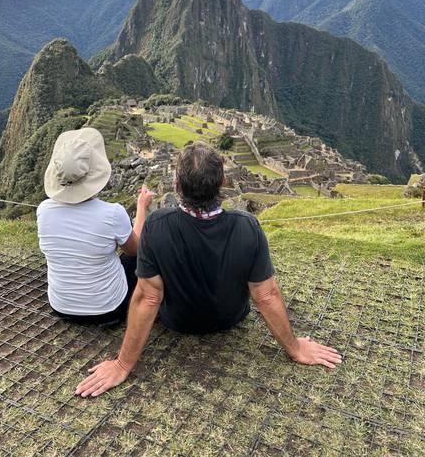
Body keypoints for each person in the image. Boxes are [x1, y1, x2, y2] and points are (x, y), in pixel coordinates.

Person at [76, 141, 342, 397]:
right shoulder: (247, 227)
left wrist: (122, 364)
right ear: (222, 182)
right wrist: (295, 348)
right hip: (230, 318)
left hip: (176, 322)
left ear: (177, 184)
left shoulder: (157, 226)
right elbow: (266, 295)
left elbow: (148, 297)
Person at [37, 126, 154, 326]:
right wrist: (142, 207)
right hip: (108, 309)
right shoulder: (112, 213)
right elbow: (136, 250)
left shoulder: (44, 210)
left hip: (60, 305)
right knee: (137, 258)